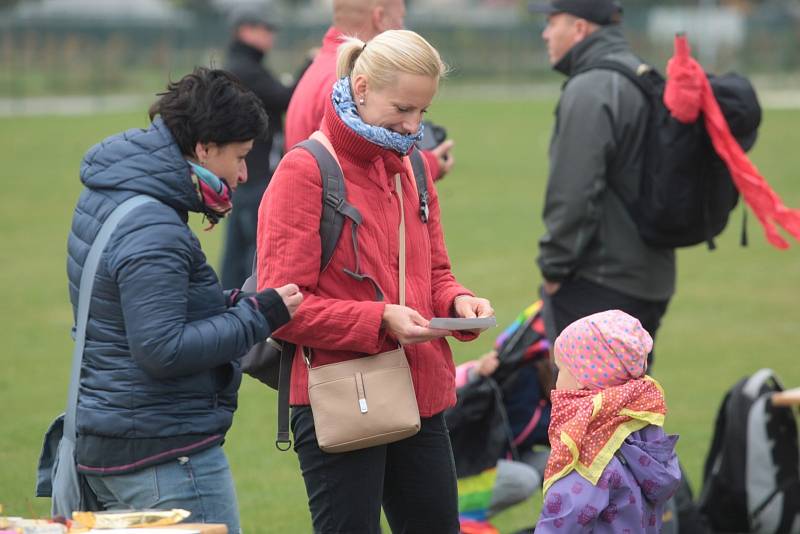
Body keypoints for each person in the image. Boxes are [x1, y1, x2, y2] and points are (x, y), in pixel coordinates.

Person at [258, 30, 493, 533]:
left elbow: (435, 273)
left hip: (423, 390)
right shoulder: (305, 170)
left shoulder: (412, 166)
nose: (413, 128)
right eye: (403, 108)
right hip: (343, 394)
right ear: (361, 87)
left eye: (423, 113)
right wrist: (380, 319)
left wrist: (461, 302)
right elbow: (279, 308)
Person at [66, 67, 302, 534]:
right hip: (165, 458)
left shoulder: (113, 195)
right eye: (239, 156)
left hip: (112, 442)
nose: (243, 174)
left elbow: (136, 309)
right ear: (204, 148)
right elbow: (161, 348)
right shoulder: (154, 227)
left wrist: (232, 301)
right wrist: (259, 315)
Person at [531, 0, 674, 357]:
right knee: (628, 407)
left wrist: (554, 268)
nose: (545, 32)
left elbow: (574, 192)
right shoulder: (639, 73)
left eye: (552, 22)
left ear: (579, 28)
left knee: (590, 409)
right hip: (649, 277)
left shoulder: (591, 87)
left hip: (599, 282)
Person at [536, 310, 680, 532]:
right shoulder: (639, 421)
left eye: (561, 369)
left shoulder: (591, 445)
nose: (556, 380)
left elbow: (566, 517)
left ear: (583, 379)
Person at [284, 0, 455, 181]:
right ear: (379, 18)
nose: (413, 127)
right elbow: (358, 173)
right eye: (400, 20)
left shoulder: (321, 66)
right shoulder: (342, 80)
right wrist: (428, 166)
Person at [219, 5, 299, 289]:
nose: (271, 36)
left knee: (237, 256)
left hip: (244, 175)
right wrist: (310, 65)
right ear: (245, 30)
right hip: (254, 175)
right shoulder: (245, 69)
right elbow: (283, 97)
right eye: (265, 29)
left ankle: (227, 316)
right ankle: (246, 320)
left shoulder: (242, 65)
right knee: (253, 257)